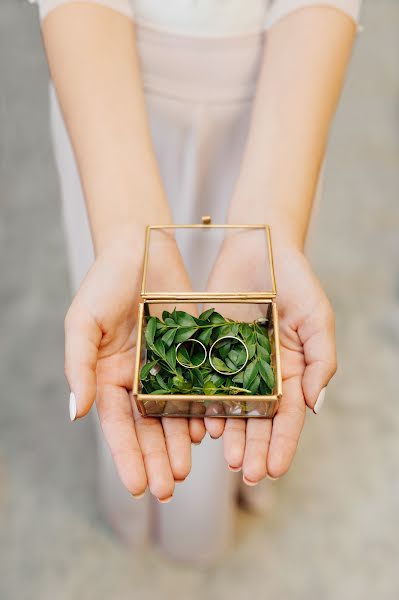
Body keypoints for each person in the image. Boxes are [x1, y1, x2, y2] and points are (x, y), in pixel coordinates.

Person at [32, 0, 361, 563]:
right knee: (121, 323)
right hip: (104, 92)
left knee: (257, 317)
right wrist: (124, 229)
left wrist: (272, 222)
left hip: (284, 100)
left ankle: (220, 498)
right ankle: (144, 510)